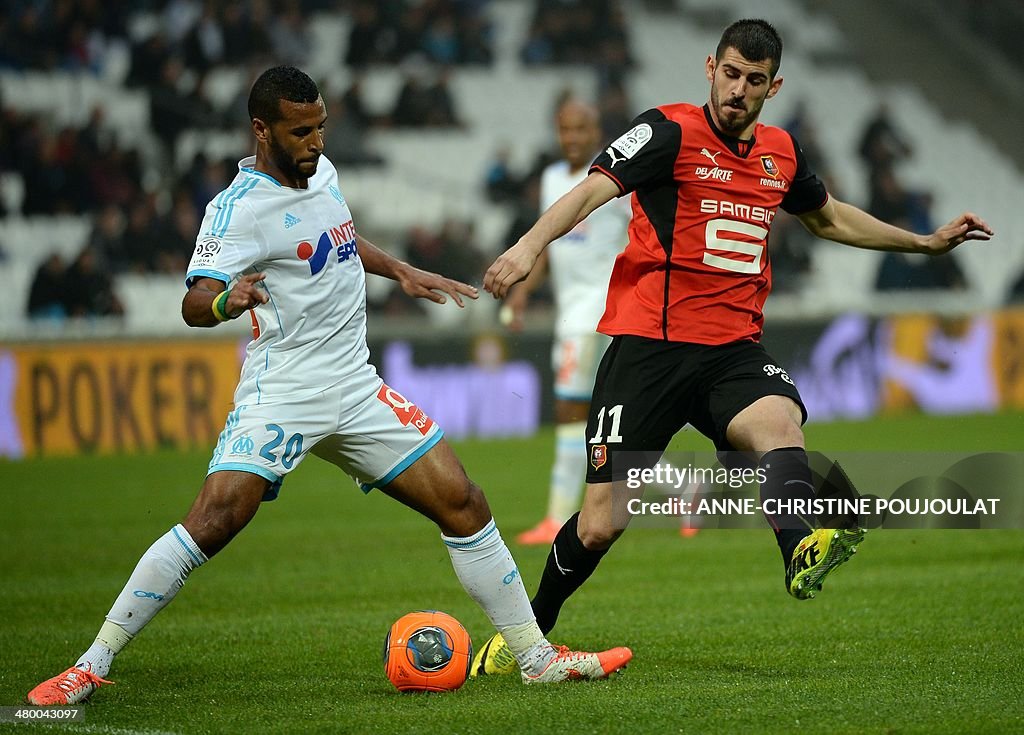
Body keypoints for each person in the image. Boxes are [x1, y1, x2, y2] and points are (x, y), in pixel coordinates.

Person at [26, 66, 631, 706]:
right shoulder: (238, 209)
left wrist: (400, 269)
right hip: (284, 388)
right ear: (262, 130)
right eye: (301, 132)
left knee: (464, 502)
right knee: (215, 517)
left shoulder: (323, 172)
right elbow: (194, 302)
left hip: (353, 384)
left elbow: (336, 235)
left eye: (320, 127)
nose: (316, 142)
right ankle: (90, 665)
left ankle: (535, 656)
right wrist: (231, 298)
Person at [472, 19, 992, 675]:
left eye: (754, 80)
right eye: (730, 73)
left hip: (732, 350)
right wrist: (527, 245)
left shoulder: (781, 152)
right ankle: (527, 634)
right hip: (649, 349)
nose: (738, 90)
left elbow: (828, 215)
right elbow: (590, 190)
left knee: (780, 423)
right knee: (601, 522)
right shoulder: (666, 131)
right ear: (710, 66)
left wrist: (922, 243)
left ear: (774, 86)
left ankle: (802, 549)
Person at [500, 99, 631, 546]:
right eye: (565, 130)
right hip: (569, 311)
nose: (572, 138)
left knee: (570, 412)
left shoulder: (617, 181)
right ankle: (685, 493)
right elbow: (551, 243)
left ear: (597, 131)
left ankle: (557, 518)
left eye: (581, 129)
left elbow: (644, 239)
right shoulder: (554, 179)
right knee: (604, 422)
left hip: (598, 314)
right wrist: (522, 290)